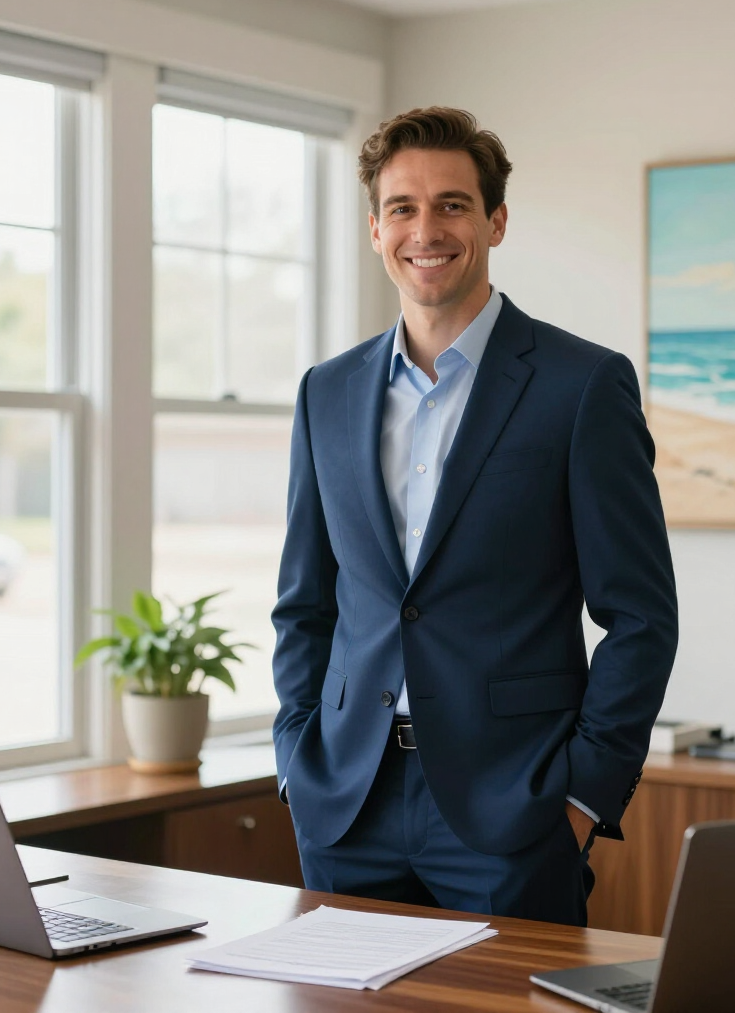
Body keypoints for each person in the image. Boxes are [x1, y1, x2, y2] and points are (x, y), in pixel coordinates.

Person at [272, 106, 678, 926]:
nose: (427, 229)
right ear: (376, 229)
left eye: (453, 204)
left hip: (516, 812)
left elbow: (639, 617)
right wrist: (296, 756)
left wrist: (581, 796)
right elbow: (305, 601)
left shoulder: (582, 385)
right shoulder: (327, 391)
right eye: (403, 208)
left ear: (495, 220)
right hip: (346, 805)